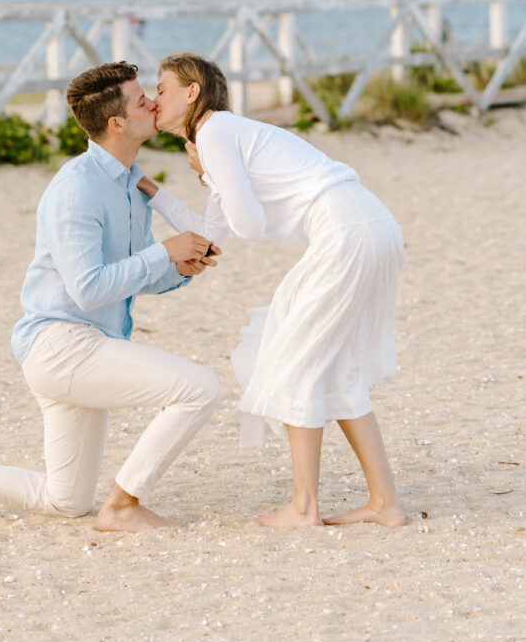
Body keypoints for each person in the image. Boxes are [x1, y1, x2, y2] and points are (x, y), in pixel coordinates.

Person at [0, 61, 221, 533]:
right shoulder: (77, 187)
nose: (153, 102)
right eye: (141, 100)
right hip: (62, 344)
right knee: (199, 389)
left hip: (88, 344)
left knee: (65, 499)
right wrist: (163, 253)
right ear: (117, 123)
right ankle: (124, 506)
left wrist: (179, 268)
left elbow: (127, 276)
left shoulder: (131, 186)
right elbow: (89, 288)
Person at [137, 52, 405, 529]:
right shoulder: (220, 139)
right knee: (332, 365)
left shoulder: (216, 130)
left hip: (346, 227)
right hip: (365, 223)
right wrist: (154, 191)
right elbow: (213, 231)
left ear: (192, 93)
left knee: (295, 358)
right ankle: (383, 502)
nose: (154, 99)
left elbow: (249, 225)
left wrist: (210, 172)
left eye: (161, 89)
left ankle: (304, 508)